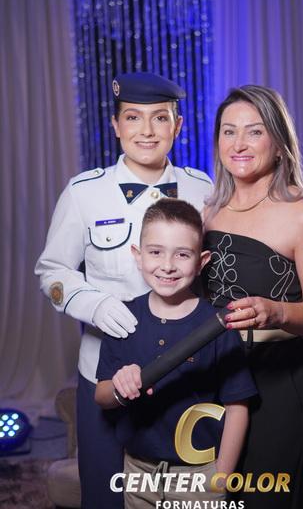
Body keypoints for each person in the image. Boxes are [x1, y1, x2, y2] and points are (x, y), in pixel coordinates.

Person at [35, 73, 213, 509]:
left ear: (178, 126)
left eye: (160, 118)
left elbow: (213, 274)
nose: (146, 131)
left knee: (188, 492)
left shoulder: (203, 189)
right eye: (133, 118)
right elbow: (52, 271)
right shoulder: (84, 193)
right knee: (104, 494)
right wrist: (92, 304)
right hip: (105, 369)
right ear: (116, 125)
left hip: (183, 370)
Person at [202, 85, 303, 509]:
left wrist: (276, 311)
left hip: (276, 381)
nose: (238, 144)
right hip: (215, 377)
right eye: (228, 131)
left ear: (279, 144)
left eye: (254, 131)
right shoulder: (208, 211)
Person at [95, 198, 258, 509]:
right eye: (155, 252)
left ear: (201, 261)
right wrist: (119, 386)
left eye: (182, 254)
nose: (167, 265)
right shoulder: (123, 319)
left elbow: (237, 406)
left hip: (199, 474)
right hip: (138, 470)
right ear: (138, 256)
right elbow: (101, 395)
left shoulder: (218, 325)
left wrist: (221, 477)